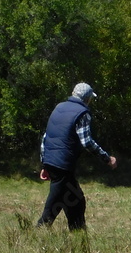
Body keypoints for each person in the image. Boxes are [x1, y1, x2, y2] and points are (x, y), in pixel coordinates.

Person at [36, 82, 117, 231]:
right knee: (53, 205)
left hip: (52, 161)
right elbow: (86, 142)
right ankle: (37, 233)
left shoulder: (59, 107)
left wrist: (45, 164)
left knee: (76, 201)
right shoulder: (82, 113)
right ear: (87, 98)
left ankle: (78, 234)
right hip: (63, 164)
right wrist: (107, 158)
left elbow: (46, 137)